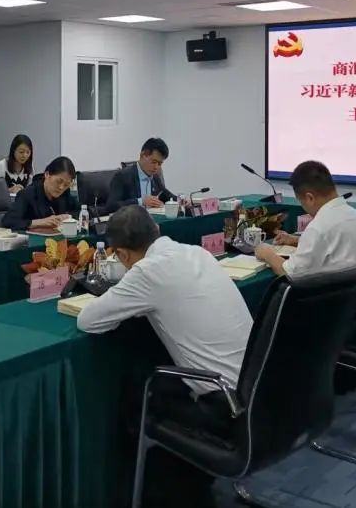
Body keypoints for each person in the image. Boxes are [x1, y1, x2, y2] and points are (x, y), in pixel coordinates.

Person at [78, 205, 253, 508]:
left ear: (121, 255)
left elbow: (88, 321)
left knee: (136, 393)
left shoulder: (147, 271)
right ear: (157, 231)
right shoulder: (197, 253)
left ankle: (147, 489)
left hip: (223, 405)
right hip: (257, 389)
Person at [255, 160, 356, 309]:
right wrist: (297, 240)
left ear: (310, 198)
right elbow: (333, 244)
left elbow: (290, 275)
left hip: (346, 312)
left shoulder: (319, 226)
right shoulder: (353, 215)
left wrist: (268, 254)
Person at [3, 156, 77, 231]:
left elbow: (81, 211)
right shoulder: (27, 194)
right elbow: (8, 222)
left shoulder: (65, 194)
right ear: (47, 174)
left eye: (66, 185)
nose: (61, 187)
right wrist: (39, 222)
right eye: (58, 181)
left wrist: (68, 217)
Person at [106, 137, 174, 212]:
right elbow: (111, 206)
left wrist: (181, 200)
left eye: (160, 164)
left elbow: (168, 196)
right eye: (154, 162)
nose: (156, 167)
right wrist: (140, 202)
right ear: (142, 155)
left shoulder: (155, 178)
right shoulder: (122, 176)